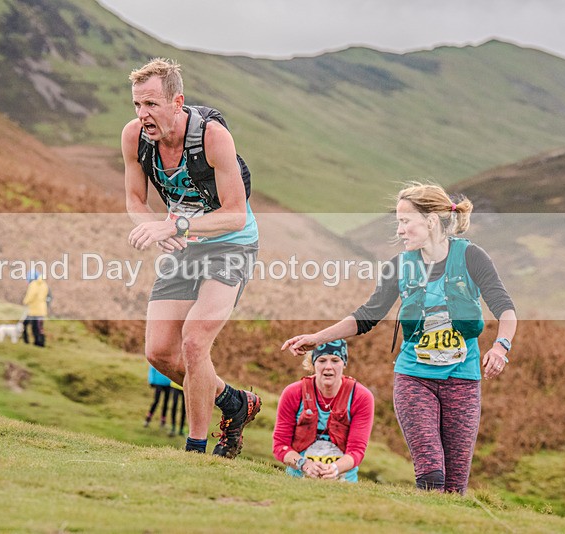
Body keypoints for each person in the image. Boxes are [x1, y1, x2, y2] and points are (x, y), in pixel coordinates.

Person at [282, 182, 517, 494]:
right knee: (432, 472)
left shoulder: (472, 257)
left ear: (431, 221)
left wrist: (500, 347)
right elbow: (367, 316)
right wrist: (317, 337)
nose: (400, 230)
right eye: (399, 222)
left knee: (455, 485)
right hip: (414, 379)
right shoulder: (399, 266)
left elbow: (505, 308)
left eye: (406, 221)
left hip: (463, 380)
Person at [122, 58, 261, 457]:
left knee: (194, 343)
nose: (142, 114)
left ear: (177, 101)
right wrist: (153, 225)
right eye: (136, 105)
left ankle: (196, 449)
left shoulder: (213, 138)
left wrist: (175, 227)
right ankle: (233, 401)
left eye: (150, 104)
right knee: (159, 352)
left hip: (231, 244)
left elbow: (235, 211)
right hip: (185, 247)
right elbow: (134, 198)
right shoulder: (134, 137)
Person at [273, 340, 374, 481]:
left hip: (344, 483)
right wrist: (305, 465)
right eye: (322, 360)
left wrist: (334, 468)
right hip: (296, 481)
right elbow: (280, 446)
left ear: (344, 363)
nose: (328, 367)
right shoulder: (293, 392)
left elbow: (356, 450)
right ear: (313, 363)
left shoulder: (361, 396)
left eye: (335, 360)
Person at [22, 270, 48, 347]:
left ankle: (31, 341)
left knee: (28, 325)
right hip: (42, 309)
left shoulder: (33, 284)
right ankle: (40, 342)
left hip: (34, 310)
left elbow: (31, 295)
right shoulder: (44, 284)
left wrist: (25, 301)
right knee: (39, 327)